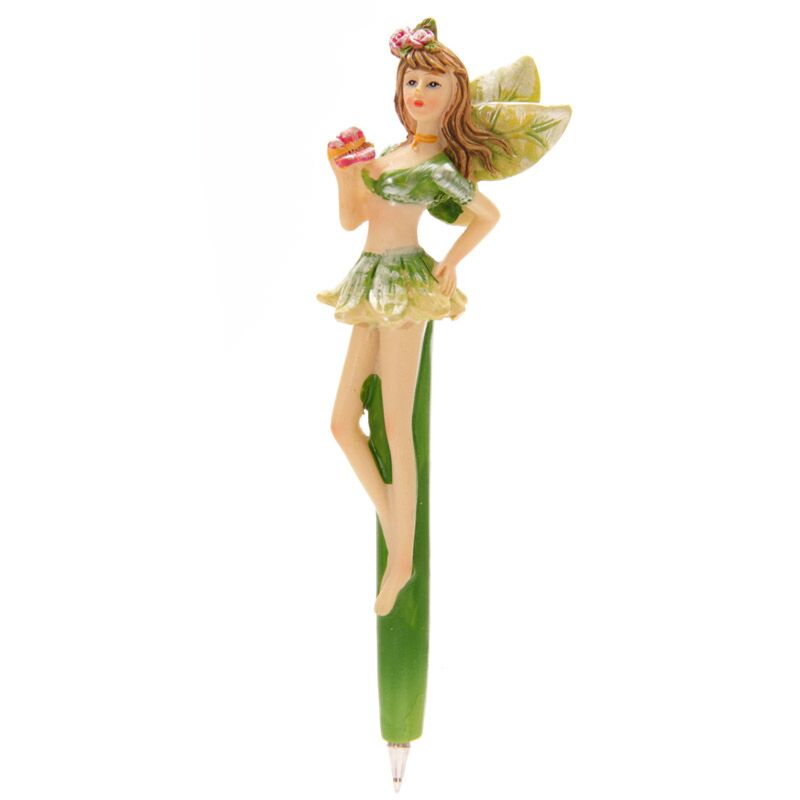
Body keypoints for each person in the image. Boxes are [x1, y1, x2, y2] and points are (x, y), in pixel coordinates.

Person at [317, 20, 509, 616]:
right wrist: (345, 175)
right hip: (369, 278)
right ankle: (393, 519)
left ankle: (400, 560)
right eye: (411, 82)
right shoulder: (391, 153)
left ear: (454, 96)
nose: (419, 93)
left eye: (432, 84)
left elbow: (487, 215)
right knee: (342, 422)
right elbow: (354, 219)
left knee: (396, 425)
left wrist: (451, 262)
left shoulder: (437, 164)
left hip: (404, 281)